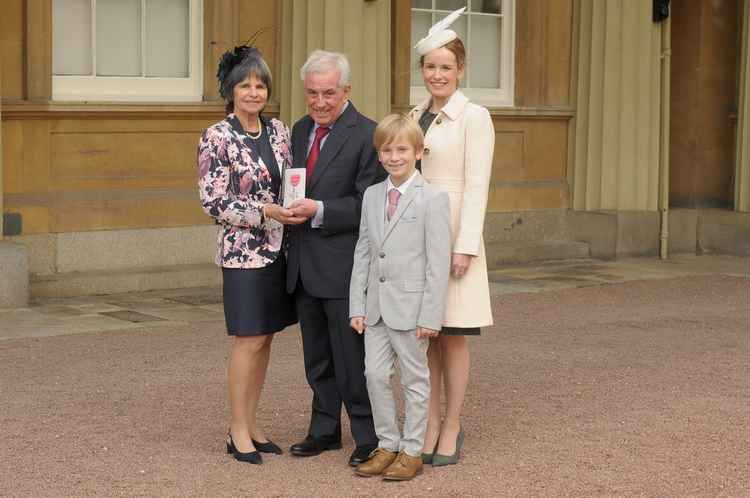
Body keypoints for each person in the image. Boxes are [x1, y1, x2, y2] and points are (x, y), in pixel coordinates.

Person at [198, 45, 301, 465]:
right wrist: (263, 213)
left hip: (280, 252)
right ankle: (236, 429)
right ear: (230, 90)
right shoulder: (216, 137)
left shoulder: (279, 131)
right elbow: (212, 202)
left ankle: (253, 424)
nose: (254, 92)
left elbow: (290, 182)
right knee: (248, 339)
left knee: (266, 339)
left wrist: (292, 206)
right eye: (245, 85)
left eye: (260, 85)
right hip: (243, 256)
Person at [285, 50, 384, 467]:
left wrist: (319, 210)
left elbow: (370, 204)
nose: (320, 102)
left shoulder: (368, 134)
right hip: (303, 265)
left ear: (346, 91)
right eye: (312, 94)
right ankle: (324, 430)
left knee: (351, 361)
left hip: (345, 267)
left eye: (328, 93)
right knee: (317, 358)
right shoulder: (299, 129)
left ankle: (368, 436)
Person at [409, 7, 495, 466]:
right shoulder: (413, 113)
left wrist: (466, 245)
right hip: (418, 239)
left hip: (454, 235)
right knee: (426, 333)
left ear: (460, 70)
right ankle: (427, 422)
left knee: (454, 335)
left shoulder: (474, 116)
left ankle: (453, 425)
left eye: (446, 67)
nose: (437, 74)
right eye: (430, 66)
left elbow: (478, 183)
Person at [349, 114, 452, 481]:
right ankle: (387, 444)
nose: (395, 157)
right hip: (375, 308)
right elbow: (364, 250)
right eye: (387, 150)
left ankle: (412, 450)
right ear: (379, 155)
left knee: (414, 379)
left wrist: (431, 315)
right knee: (374, 375)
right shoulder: (373, 195)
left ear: (419, 152)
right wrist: (357, 305)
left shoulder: (433, 198)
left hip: (412, 309)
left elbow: (437, 262)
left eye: (402, 149)